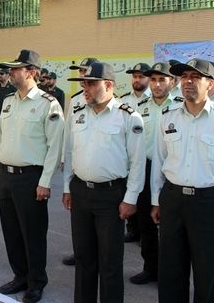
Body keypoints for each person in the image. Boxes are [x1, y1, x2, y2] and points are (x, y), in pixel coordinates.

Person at [63, 62, 146, 303]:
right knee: (83, 258)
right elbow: (69, 154)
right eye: (83, 83)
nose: (84, 88)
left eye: (90, 83)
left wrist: (131, 199)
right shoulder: (77, 113)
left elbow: (137, 163)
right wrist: (68, 187)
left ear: (108, 85)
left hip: (111, 196)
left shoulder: (129, 116)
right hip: (80, 192)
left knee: (110, 262)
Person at [0, 50, 64, 303]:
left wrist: (45, 182)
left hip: (31, 178)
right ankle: (20, 276)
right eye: (11, 69)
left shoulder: (48, 103)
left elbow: (55, 146)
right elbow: (1, 135)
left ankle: (36, 282)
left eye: (16, 69)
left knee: (32, 233)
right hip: (7, 175)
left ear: (31, 72)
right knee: (11, 231)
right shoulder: (9, 100)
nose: (11, 72)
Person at [150, 59, 214, 303]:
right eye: (184, 76)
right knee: (170, 269)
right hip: (173, 200)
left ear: (210, 84)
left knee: (207, 270)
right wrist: (156, 201)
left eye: (196, 77)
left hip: (207, 202)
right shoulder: (168, 118)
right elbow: (159, 161)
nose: (188, 81)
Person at [127, 62, 181, 285]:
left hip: (172, 171)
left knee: (171, 228)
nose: (157, 84)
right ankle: (151, 268)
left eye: (162, 79)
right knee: (146, 223)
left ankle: (171, 275)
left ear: (173, 81)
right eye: (154, 80)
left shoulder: (180, 105)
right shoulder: (141, 107)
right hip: (146, 168)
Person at [61, 57, 99, 267]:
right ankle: (80, 253)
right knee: (79, 221)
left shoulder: (113, 102)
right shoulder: (76, 101)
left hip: (101, 173)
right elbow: (69, 140)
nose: (83, 76)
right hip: (79, 171)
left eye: (85, 72)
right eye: (81, 73)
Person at [119, 62, 151, 243]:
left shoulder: (155, 98)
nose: (137, 79)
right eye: (135, 76)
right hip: (127, 157)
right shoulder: (123, 100)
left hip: (147, 157)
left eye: (141, 76)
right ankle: (132, 229)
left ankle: (146, 232)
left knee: (145, 198)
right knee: (129, 193)